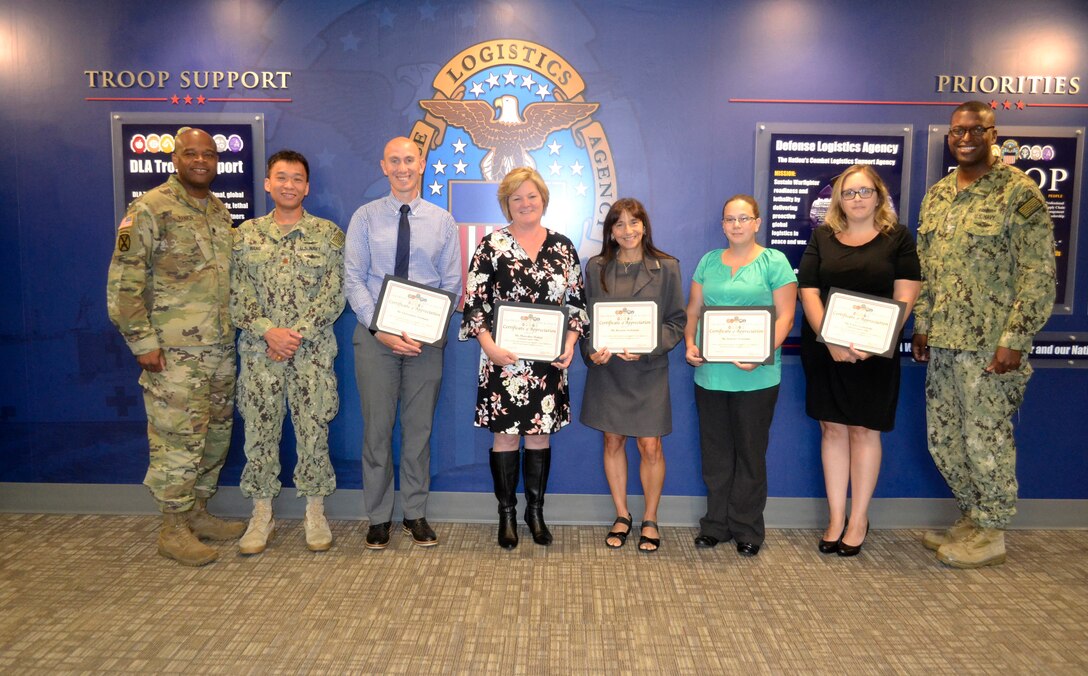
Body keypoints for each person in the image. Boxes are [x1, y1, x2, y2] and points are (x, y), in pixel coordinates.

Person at [912, 101, 1055, 568]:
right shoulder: (938, 195)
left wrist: (1014, 338)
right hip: (946, 343)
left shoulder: (1019, 193)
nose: (965, 138)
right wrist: (923, 324)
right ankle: (972, 516)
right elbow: (929, 270)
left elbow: (1038, 273)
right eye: (957, 131)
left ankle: (992, 530)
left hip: (990, 347)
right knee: (945, 437)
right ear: (948, 137)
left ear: (993, 134)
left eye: (976, 130)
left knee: (985, 437)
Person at [106, 127, 244, 566]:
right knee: (176, 440)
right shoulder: (149, 209)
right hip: (172, 353)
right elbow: (125, 280)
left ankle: (198, 513)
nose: (200, 160)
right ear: (175, 159)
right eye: (191, 153)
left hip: (220, 348)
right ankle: (172, 528)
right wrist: (141, 341)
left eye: (208, 154)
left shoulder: (220, 213)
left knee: (216, 436)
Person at [460, 167, 588, 549]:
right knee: (505, 439)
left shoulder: (563, 246)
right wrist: (488, 346)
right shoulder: (490, 245)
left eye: (531, 196)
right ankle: (507, 514)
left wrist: (569, 344)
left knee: (539, 438)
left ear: (543, 200)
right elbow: (474, 302)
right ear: (506, 204)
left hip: (547, 363)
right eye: (516, 198)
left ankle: (536, 512)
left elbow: (577, 303)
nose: (525, 203)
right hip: (503, 359)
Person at [344, 137, 461, 549]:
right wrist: (381, 329)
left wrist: (428, 332)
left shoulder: (442, 221)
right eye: (394, 160)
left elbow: (451, 285)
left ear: (422, 163)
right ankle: (378, 517)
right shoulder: (365, 218)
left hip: (425, 344)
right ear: (383, 165)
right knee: (376, 431)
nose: (402, 167)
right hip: (375, 338)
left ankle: (414, 513)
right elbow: (353, 280)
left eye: (409, 160)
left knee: (418, 430)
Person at [798, 165, 921, 557]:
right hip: (825, 348)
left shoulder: (897, 239)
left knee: (864, 431)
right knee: (832, 429)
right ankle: (836, 517)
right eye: (849, 193)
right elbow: (809, 291)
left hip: (875, 353)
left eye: (864, 191)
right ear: (838, 199)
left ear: (879, 196)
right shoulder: (822, 236)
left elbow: (906, 295)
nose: (857, 199)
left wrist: (875, 341)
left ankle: (858, 518)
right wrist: (829, 337)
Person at [231, 150, 345, 555]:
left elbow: (335, 295)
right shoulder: (244, 235)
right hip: (260, 354)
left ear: (307, 187)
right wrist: (269, 332)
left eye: (297, 179)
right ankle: (261, 513)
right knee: (259, 435)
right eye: (281, 177)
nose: (289, 185)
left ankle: (315, 510)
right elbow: (236, 293)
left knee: (314, 431)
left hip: (310, 354)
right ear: (267, 183)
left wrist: (293, 335)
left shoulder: (329, 235)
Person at [685, 195, 796, 557]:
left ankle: (748, 528)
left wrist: (760, 354)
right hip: (711, 376)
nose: (736, 225)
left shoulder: (774, 262)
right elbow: (694, 311)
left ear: (757, 223)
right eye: (729, 219)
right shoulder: (708, 262)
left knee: (750, 454)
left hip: (756, 378)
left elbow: (786, 318)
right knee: (716, 455)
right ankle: (715, 525)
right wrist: (689, 344)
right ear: (722, 225)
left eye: (743, 218)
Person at [580, 198, 686, 552]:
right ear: (610, 230)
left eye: (633, 223)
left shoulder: (667, 267)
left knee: (650, 446)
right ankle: (622, 514)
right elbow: (585, 323)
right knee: (612, 441)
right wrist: (590, 352)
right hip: (609, 372)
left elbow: (676, 322)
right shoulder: (595, 267)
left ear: (644, 226)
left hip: (648, 369)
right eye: (619, 224)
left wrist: (650, 346)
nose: (627, 231)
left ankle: (651, 517)